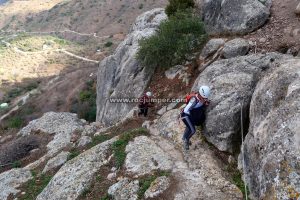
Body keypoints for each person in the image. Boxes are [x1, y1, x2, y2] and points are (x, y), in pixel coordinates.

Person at [180, 86, 211, 150]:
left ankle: (184, 137)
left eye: (206, 98)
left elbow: (200, 105)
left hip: (191, 114)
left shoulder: (201, 99)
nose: (205, 99)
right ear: (200, 95)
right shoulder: (194, 100)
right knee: (192, 130)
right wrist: (190, 117)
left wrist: (205, 103)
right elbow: (186, 110)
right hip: (185, 115)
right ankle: (186, 140)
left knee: (189, 127)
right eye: (204, 98)